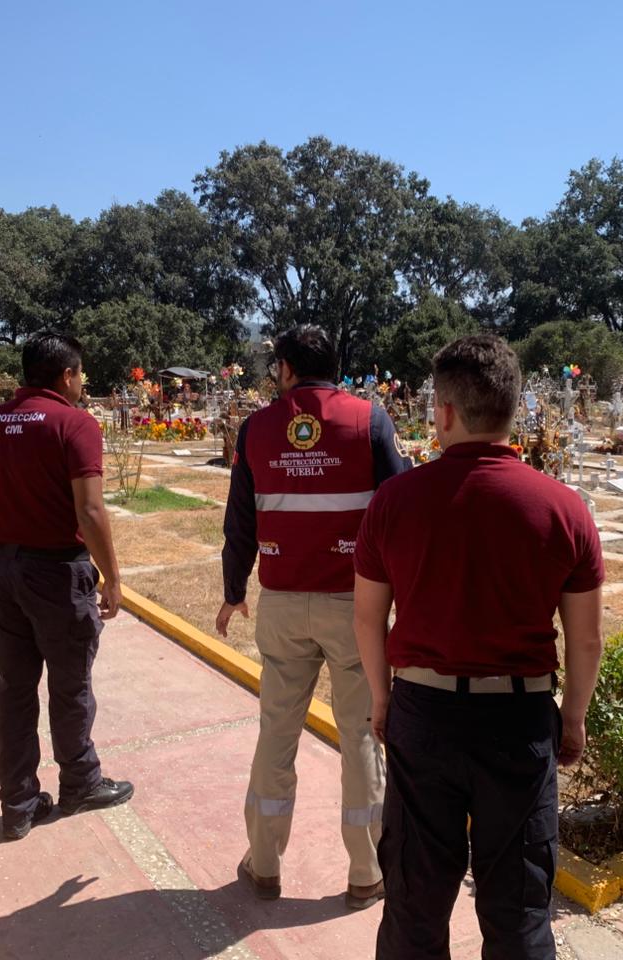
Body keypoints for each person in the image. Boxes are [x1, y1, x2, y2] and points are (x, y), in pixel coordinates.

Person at [353, 334, 605, 959]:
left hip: (424, 715)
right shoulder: (563, 508)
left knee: (414, 904)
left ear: (443, 412)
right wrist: (572, 719)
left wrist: (382, 700)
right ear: (513, 410)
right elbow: (586, 637)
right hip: (520, 721)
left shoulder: (394, 501)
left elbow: (367, 617)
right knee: (518, 912)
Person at [217, 324, 411, 909]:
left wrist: (233, 589)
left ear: (285, 368)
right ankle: (366, 870)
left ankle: (265, 863)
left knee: (277, 732)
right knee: (362, 735)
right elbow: (401, 504)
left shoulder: (257, 428)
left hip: (281, 601)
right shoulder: (369, 420)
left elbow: (239, 520)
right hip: (355, 605)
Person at [0, 331, 132, 841]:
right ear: (66, 375)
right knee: (70, 683)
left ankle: (18, 803)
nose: (83, 382)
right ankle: (80, 782)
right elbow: (90, 509)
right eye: (80, 373)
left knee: (14, 687)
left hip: (2, 568)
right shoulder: (74, 423)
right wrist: (112, 578)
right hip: (56, 572)